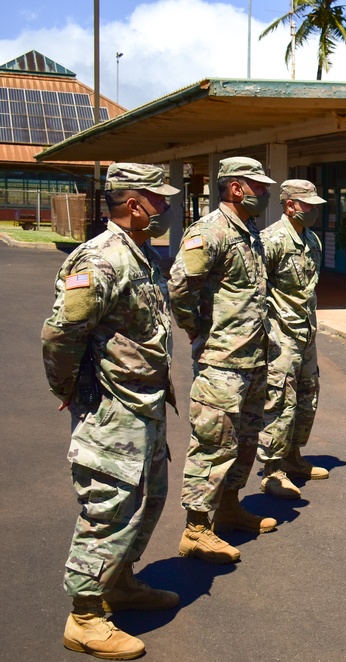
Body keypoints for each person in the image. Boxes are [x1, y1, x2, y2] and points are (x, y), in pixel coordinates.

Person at [42, 163, 180, 659]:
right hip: (112, 406)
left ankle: (117, 582)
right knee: (109, 508)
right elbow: (61, 334)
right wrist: (69, 388)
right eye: (158, 199)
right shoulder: (100, 259)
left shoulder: (139, 253)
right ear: (135, 202)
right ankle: (85, 616)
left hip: (144, 402)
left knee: (150, 497)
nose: (165, 207)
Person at [169, 156, 278, 563]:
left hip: (252, 358)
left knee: (246, 439)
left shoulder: (250, 231)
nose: (266, 193)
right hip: (222, 362)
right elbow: (180, 287)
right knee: (214, 443)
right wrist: (197, 330)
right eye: (259, 186)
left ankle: (229, 508)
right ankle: (197, 529)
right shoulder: (210, 231)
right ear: (236, 188)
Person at [258, 180, 329, 499]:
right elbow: (257, 290)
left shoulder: (312, 239)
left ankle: (293, 456)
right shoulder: (270, 240)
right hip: (280, 332)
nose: (314, 211)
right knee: (280, 397)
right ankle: (272, 470)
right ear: (289, 206)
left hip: (306, 330)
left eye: (315, 205)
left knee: (307, 393)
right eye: (308, 205)